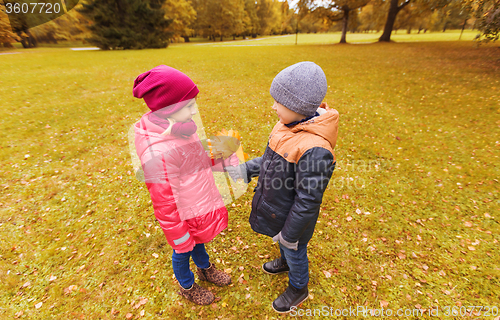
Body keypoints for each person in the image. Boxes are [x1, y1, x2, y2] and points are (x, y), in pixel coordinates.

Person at [227, 61, 339, 313]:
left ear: (298, 107)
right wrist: (246, 169)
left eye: (279, 103)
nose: (273, 107)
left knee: (294, 248)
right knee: (282, 241)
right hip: (280, 208)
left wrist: (290, 235)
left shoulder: (315, 150)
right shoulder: (287, 126)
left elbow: (307, 201)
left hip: (295, 220)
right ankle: (285, 260)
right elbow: (271, 161)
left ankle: (299, 287)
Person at [132, 65, 234, 305]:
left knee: (199, 242)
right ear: (168, 109)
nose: (194, 109)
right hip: (180, 216)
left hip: (195, 206)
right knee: (183, 250)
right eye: (188, 106)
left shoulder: (179, 130)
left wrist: (217, 155)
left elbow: (192, 158)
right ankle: (187, 285)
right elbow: (164, 202)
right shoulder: (158, 151)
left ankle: (205, 268)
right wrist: (177, 234)